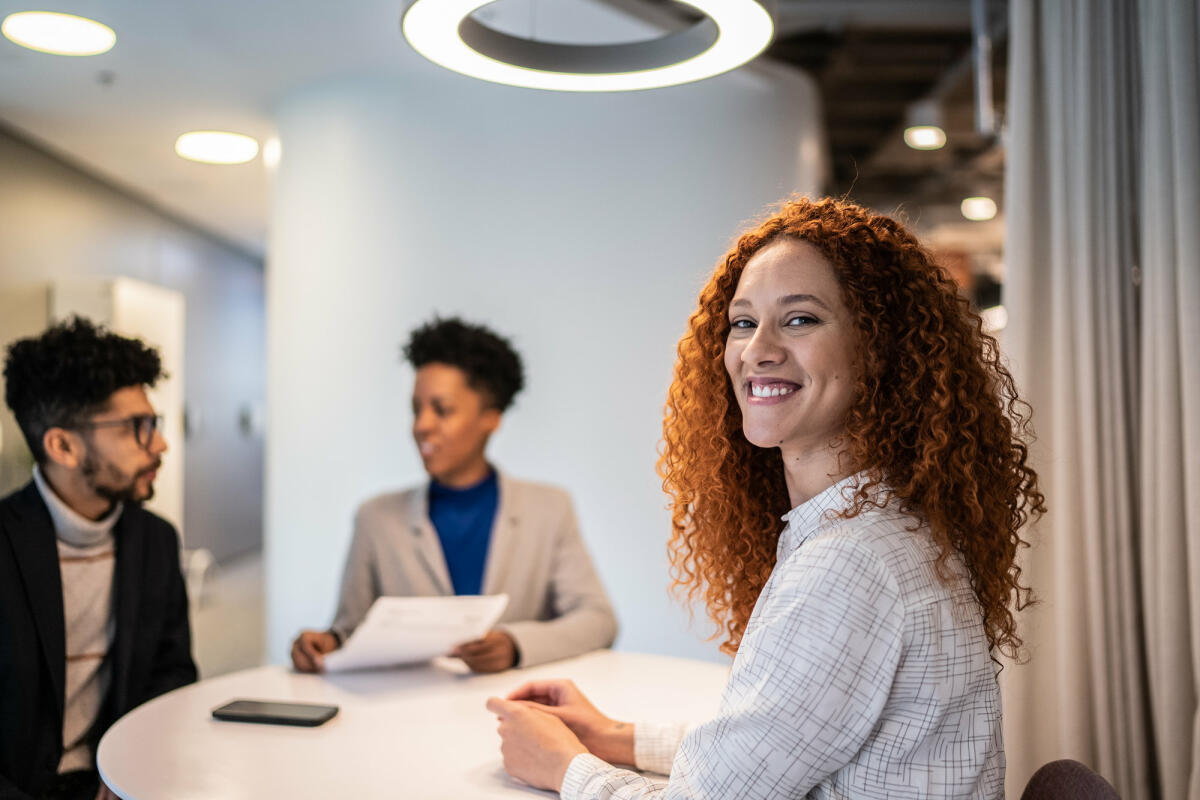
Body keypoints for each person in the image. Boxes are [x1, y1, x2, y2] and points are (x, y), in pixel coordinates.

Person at [485, 197, 1046, 798]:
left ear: (878, 347)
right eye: (744, 322)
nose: (758, 350)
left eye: (800, 319)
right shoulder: (885, 527)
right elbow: (781, 740)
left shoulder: (850, 562)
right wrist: (613, 735)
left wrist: (562, 767)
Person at [291, 317, 617, 674]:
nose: (421, 425)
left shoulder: (550, 509)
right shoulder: (375, 518)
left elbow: (598, 620)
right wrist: (327, 643)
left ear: (491, 419)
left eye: (441, 410)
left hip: (516, 712)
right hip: (405, 716)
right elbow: (351, 629)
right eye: (416, 409)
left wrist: (515, 645)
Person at [0, 317, 197, 800]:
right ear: (63, 445)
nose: (161, 444)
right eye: (138, 428)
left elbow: (172, 676)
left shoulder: (155, 540)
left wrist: (133, 765)